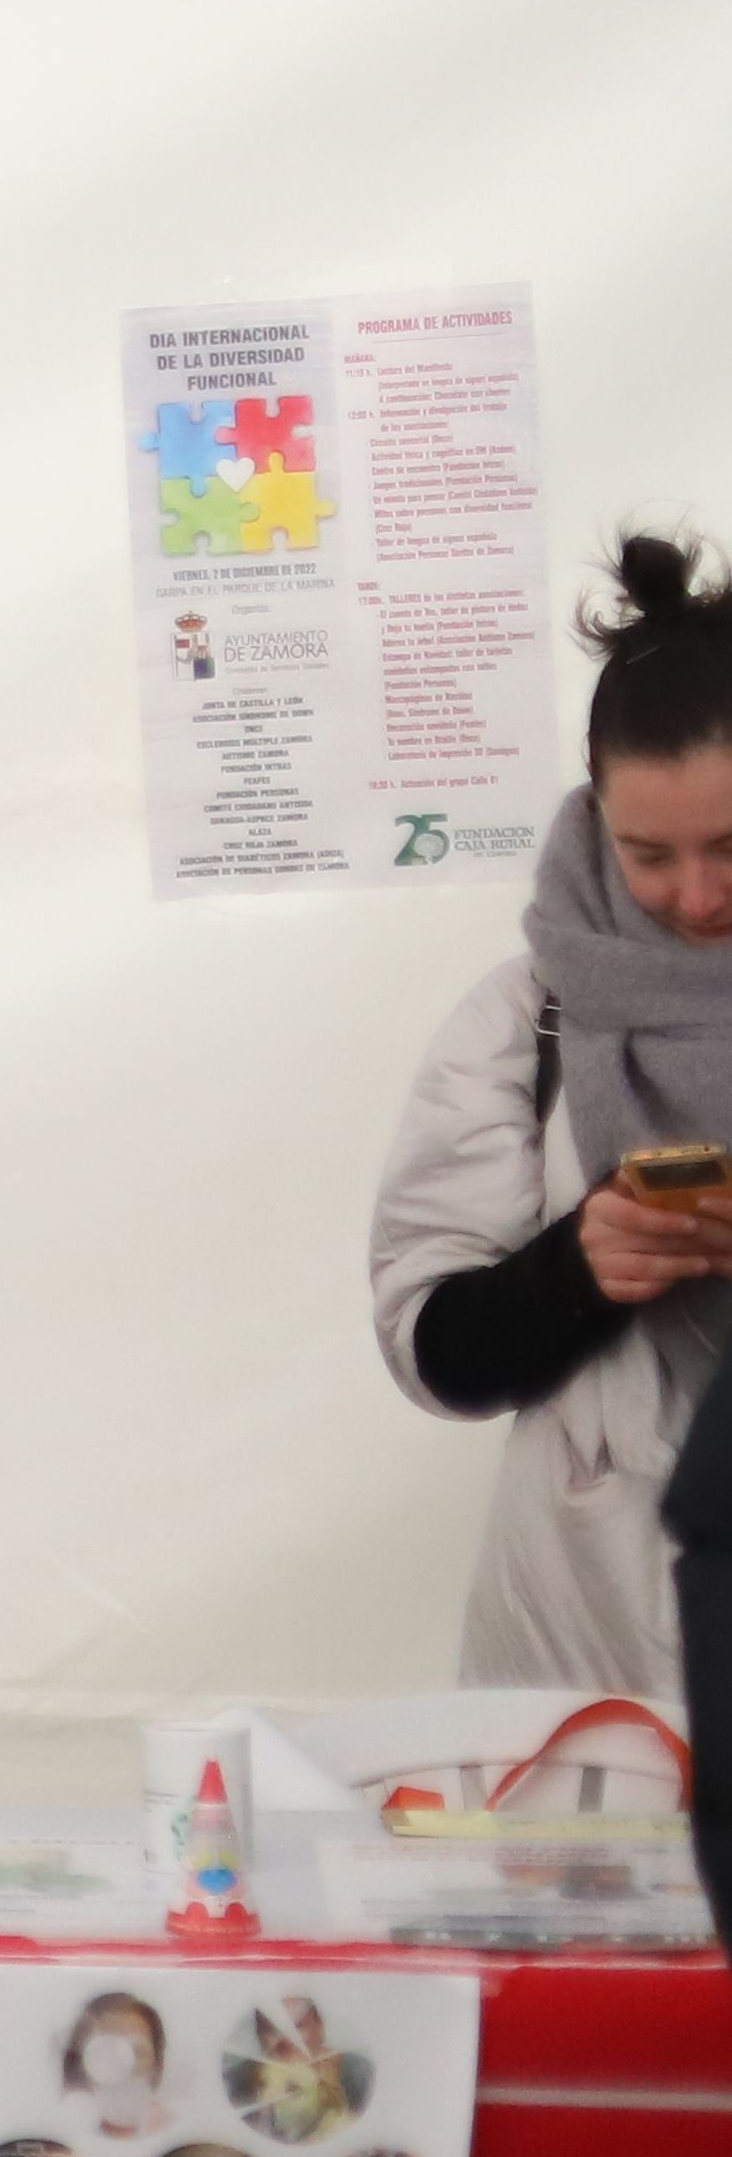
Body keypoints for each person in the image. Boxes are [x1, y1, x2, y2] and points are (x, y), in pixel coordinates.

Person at [369, 529, 732, 1699]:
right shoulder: (525, 1021)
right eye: (647, 853)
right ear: (592, 818)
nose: (697, 894)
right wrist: (582, 1264)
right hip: (598, 1635)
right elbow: (437, 1350)